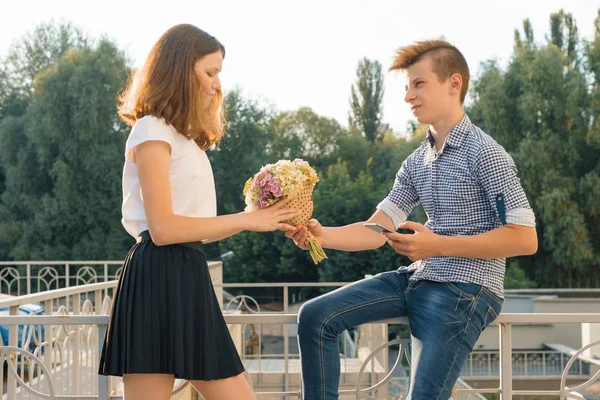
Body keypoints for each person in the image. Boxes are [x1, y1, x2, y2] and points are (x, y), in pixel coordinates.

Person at [287, 39, 538, 400]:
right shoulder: (416, 161)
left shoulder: (487, 154)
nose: (408, 96)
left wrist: (435, 245)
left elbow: (524, 239)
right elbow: (378, 229)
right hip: (416, 279)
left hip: (464, 290)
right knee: (315, 317)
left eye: (419, 84)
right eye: (407, 87)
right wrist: (320, 235)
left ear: (454, 84)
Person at [98, 24, 299, 400]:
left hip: (189, 272)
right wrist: (247, 219)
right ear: (179, 69)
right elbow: (162, 229)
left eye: (218, 74)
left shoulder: (186, 140)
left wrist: (256, 217)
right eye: (210, 72)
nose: (216, 84)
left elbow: (198, 230)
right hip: (156, 274)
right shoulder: (150, 130)